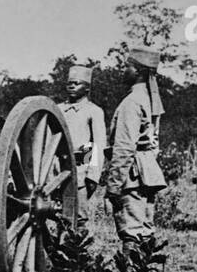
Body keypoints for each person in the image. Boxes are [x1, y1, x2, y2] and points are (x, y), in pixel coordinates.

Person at [105, 47, 166, 252]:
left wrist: (113, 184)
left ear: (138, 71)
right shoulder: (148, 99)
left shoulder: (131, 102)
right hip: (147, 173)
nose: (123, 71)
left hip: (131, 177)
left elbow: (124, 147)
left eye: (127, 67)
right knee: (146, 229)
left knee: (131, 232)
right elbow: (154, 142)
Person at [61, 65, 106, 229]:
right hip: (56, 172)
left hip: (79, 172)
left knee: (79, 217)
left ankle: (77, 252)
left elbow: (97, 145)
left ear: (86, 88)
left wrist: (92, 175)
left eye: (77, 83)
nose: (72, 86)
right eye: (69, 83)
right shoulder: (58, 109)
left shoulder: (93, 111)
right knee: (58, 215)